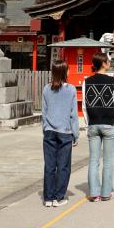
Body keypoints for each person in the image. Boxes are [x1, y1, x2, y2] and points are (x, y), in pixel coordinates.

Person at [82, 52, 114, 202]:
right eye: (108, 60)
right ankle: (106, 193)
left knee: (93, 160)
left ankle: (94, 193)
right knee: (108, 161)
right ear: (104, 63)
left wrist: (87, 125)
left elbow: (84, 106)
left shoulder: (87, 81)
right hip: (109, 123)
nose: (109, 62)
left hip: (93, 124)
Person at [42, 60, 79, 208]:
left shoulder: (46, 89)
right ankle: (59, 197)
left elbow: (44, 113)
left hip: (49, 131)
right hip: (65, 132)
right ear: (64, 72)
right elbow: (73, 115)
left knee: (50, 166)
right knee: (63, 166)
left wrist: (44, 129)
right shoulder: (70, 89)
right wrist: (76, 134)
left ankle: (48, 197)